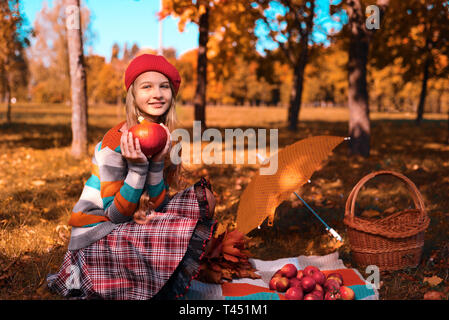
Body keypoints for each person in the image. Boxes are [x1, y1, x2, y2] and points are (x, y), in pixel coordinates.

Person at [47, 54, 217, 300]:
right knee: (179, 228)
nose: (157, 93)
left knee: (204, 199)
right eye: (146, 86)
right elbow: (114, 215)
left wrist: (157, 163)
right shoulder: (115, 143)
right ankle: (142, 281)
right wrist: (137, 170)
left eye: (164, 86)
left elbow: (158, 203)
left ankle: (157, 273)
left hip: (135, 221)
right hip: (99, 235)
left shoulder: (165, 136)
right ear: (133, 95)